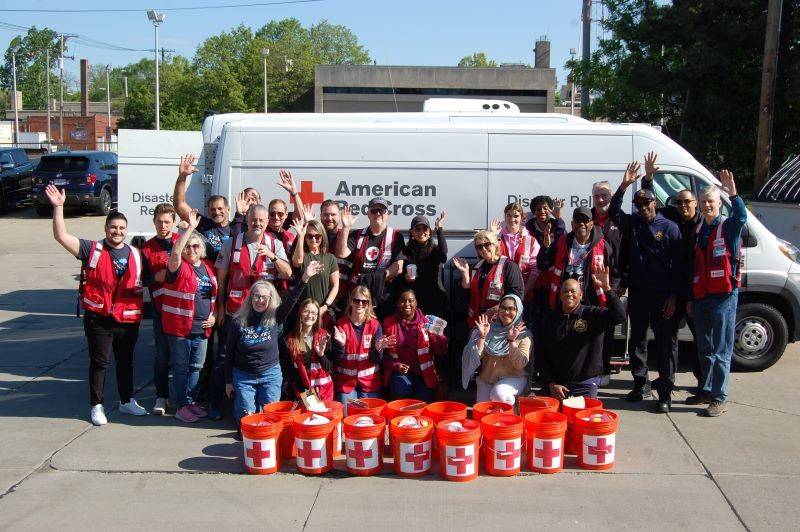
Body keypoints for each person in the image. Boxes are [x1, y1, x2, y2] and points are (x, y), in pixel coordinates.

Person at [45, 184, 147, 426]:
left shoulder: (134, 253)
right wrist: (58, 208)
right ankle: (97, 405)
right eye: (113, 227)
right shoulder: (92, 249)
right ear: (106, 228)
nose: (118, 231)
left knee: (126, 362)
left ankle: (126, 401)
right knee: (100, 362)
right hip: (99, 318)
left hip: (127, 318)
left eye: (122, 228)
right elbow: (61, 237)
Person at [609, 160, 684, 412]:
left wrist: (674, 296)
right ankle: (640, 383)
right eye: (639, 204)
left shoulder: (670, 227)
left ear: (656, 203)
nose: (643, 208)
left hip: (664, 297)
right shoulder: (633, 224)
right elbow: (613, 213)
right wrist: (623, 187)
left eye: (647, 203)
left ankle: (665, 393)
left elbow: (679, 267)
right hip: (639, 294)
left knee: (665, 343)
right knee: (638, 341)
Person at [214, 204, 292, 419]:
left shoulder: (274, 244)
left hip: (265, 315)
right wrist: (220, 308)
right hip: (236, 313)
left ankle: (264, 406)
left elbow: (288, 273)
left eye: (261, 220)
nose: (257, 223)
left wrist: (273, 257)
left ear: (267, 222)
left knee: (266, 358)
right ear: (246, 220)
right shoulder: (231, 243)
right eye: (253, 219)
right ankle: (221, 405)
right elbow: (221, 280)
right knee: (226, 357)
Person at [224, 262, 321, 423]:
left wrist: (305, 278)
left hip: (270, 374)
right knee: (247, 417)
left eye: (264, 297)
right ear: (250, 297)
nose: (260, 300)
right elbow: (229, 353)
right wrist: (228, 381)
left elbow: (292, 300)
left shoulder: (275, 317)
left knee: (271, 418)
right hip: (243, 376)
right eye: (257, 296)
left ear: (270, 300)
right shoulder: (238, 321)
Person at [640, 152, 704, 391]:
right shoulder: (673, 218)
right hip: (676, 288)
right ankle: (668, 378)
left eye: (687, 202)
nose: (683, 206)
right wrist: (648, 178)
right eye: (680, 202)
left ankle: (703, 383)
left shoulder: (702, 224)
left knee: (700, 340)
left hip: (696, 290)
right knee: (668, 338)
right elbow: (649, 203)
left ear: (695, 203)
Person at [687, 170, 746, 417]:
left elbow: (741, 216)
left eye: (711, 202)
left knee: (721, 349)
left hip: (724, 297)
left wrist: (733, 194)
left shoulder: (728, 227)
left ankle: (719, 397)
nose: (707, 206)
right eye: (703, 203)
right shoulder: (700, 228)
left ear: (719, 203)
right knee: (705, 348)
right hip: (701, 296)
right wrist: (691, 298)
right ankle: (706, 390)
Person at [162, 211, 217, 422]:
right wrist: (189, 231)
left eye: (195, 246)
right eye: (188, 246)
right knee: (181, 368)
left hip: (202, 329)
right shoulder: (178, 266)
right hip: (180, 329)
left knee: (197, 368)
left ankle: (191, 402)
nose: (191, 250)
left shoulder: (208, 267)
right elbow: (175, 252)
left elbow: (213, 296)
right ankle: (181, 406)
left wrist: (213, 315)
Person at [538, 270, 626, 399]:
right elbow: (542, 354)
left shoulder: (592, 315)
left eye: (573, 291)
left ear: (581, 295)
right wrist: (551, 383)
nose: (569, 294)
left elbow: (620, 316)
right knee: (540, 415)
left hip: (584, 385)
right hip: (556, 385)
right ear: (560, 296)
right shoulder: (550, 319)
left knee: (584, 418)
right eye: (565, 291)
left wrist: (607, 289)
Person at [140, 203, 180, 415]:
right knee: (162, 355)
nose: (163, 226)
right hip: (161, 310)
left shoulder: (182, 243)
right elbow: (139, 279)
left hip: (183, 309)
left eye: (167, 222)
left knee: (183, 356)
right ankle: (161, 397)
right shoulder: (146, 249)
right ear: (154, 221)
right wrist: (155, 277)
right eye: (159, 221)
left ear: (173, 223)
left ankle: (186, 399)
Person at [336, 198, 405, 317]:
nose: (378, 213)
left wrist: (370, 279)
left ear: (387, 214)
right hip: (359, 299)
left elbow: (398, 267)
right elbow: (341, 253)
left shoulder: (395, 236)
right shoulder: (357, 234)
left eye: (381, 211)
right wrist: (346, 227)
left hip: (384, 297)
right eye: (374, 211)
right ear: (368, 214)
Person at [537, 206, 616, 310]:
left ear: (592, 224)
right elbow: (542, 266)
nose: (581, 223)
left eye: (585, 220)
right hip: (565, 302)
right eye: (578, 220)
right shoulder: (562, 242)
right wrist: (546, 247)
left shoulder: (603, 246)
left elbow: (614, 272)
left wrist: (612, 295)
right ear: (572, 224)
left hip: (591, 303)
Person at [331, 285, 395, 411]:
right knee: (349, 414)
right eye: (356, 300)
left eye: (364, 301)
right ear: (351, 302)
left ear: (368, 304)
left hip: (369, 383)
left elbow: (376, 360)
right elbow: (336, 359)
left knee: (370, 414)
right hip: (347, 383)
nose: (360, 304)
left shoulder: (375, 325)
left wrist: (377, 349)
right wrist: (341, 346)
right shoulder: (340, 324)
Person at [461, 294, 532, 405]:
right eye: (503, 308)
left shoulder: (524, 334)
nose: (506, 312)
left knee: (499, 394)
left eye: (511, 308)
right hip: (488, 378)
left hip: (513, 377)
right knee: (482, 409)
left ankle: (514, 412)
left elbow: (520, 364)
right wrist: (482, 337)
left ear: (518, 311)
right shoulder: (489, 329)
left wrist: (512, 341)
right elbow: (477, 357)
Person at [382, 289, 447, 401]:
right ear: (397, 304)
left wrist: (439, 335)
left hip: (423, 374)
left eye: (410, 300)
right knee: (401, 388)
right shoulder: (388, 323)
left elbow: (441, 350)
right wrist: (395, 365)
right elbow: (381, 355)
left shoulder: (428, 322)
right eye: (403, 301)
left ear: (416, 303)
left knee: (423, 400)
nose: (407, 304)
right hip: (399, 373)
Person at [453, 230, 524, 329]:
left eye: (487, 244)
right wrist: (465, 273)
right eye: (479, 247)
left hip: (498, 324)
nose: (483, 249)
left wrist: (492, 311)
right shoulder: (478, 266)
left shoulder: (509, 266)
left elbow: (516, 295)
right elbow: (467, 291)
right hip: (476, 323)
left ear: (495, 244)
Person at [591, 180, 626, 384]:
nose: (600, 199)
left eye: (604, 195)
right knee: (591, 326)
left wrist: (622, 281)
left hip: (611, 281)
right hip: (590, 281)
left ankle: (604, 370)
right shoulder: (588, 219)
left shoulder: (618, 220)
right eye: (597, 195)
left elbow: (625, 253)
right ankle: (590, 368)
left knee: (608, 327)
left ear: (611, 197)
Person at [173, 154, 238, 261]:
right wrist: (182, 177)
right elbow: (179, 205)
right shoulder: (204, 224)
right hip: (209, 275)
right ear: (208, 210)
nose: (217, 212)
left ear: (228, 209)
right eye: (212, 209)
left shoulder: (236, 228)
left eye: (220, 208)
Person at [280, 299, 334, 401]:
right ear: (300, 313)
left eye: (314, 313)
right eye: (306, 311)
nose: (310, 315)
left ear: (318, 316)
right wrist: (305, 392)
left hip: (324, 391)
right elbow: (290, 371)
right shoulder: (289, 340)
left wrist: (321, 355)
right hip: (303, 393)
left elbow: (329, 368)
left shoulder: (325, 336)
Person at [524, 195, 566, 323]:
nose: (542, 211)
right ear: (533, 211)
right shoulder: (527, 228)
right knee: (532, 314)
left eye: (545, 208)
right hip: (532, 278)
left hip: (552, 277)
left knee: (551, 313)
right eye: (538, 209)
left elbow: (562, 241)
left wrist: (558, 218)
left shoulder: (556, 225)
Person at [399, 212, 449, 318]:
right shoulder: (406, 251)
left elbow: (444, 254)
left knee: (434, 333)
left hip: (435, 298)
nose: (421, 232)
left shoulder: (434, 250)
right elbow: (401, 273)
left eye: (424, 229)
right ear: (412, 232)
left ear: (429, 232)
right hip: (414, 299)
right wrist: (406, 277)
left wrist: (439, 228)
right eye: (417, 229)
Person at [290, 218, 339, 324]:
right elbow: (297, 262)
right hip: (303, 313)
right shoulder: (302, 255)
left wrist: (325, 307)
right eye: (309, 236)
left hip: (323, 312)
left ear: (322, 236)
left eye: (317, 236)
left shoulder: (330, 258)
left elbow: (335, 286)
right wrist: (300, 236)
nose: (313, 239)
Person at [492, 203, 540, 299]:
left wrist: (523, 292)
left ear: (522, 218)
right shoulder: (497, 237)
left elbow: (535, 270)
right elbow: (488, 260)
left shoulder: (531, 240)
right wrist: (493, 236)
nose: (512, 219)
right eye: (508, 216)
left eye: (516, 216)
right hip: (498, 291)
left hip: (524, 293)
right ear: (505, 217)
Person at [319, 199, 351, 314]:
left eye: (333, 214)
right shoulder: (314, 237)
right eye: (326, 214)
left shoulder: (348, 237)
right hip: (318, 298)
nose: (329, 218)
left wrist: (346, 228)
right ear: (320, 215)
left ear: (340, 216)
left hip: (341, 301)